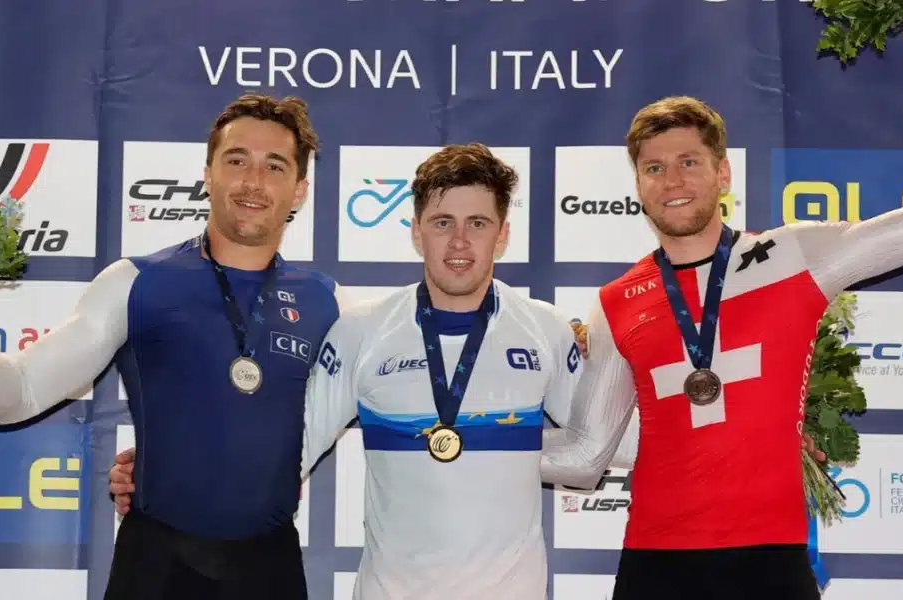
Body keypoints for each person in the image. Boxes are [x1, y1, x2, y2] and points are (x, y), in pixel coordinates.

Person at [544, 4, 903, 599]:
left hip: (770, 563)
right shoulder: (617, 302)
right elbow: (587, 454)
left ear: (722, 174)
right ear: (637, 184)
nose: (672, 181)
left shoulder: (793, 256)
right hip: (654, 565)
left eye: (689, 163)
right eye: (654, 168)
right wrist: (459, 441)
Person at [109, 143, 633, 599]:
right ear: (416, 232)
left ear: (502, 235)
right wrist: (170, 471)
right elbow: (285, 452)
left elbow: (603, 451)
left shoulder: (546, 329)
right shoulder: (362, 330)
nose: (459, 242)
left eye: (478, 223)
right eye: (442, 223)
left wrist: (620, 360)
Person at [0, 93, 338, 599]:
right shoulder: (136, 282)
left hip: (271, 570)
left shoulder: (327, 301)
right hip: (155, 564)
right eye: (236, 160)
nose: (253, 181)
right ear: (208, 174)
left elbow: (386, 390)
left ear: (300, 189)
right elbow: (20, 393)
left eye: (274, 166)